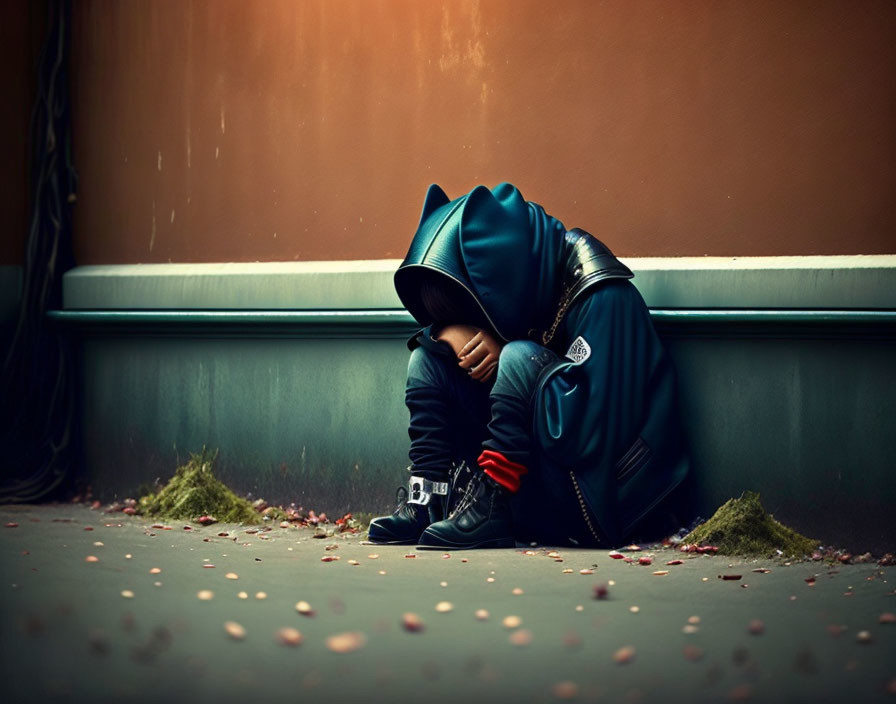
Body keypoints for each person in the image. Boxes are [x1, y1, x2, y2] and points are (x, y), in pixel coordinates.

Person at [368, 183, 689, 549]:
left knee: (519, 358)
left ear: (500, 280)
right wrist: (447, 330)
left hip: (609, 499)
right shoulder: (533, 284)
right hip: (540, 484)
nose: (474, 327)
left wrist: (508, 351)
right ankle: (427, 502)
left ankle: (492, 509)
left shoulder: (604, 297)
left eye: (471, 313)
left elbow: (588, 435)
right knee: (428, 359)